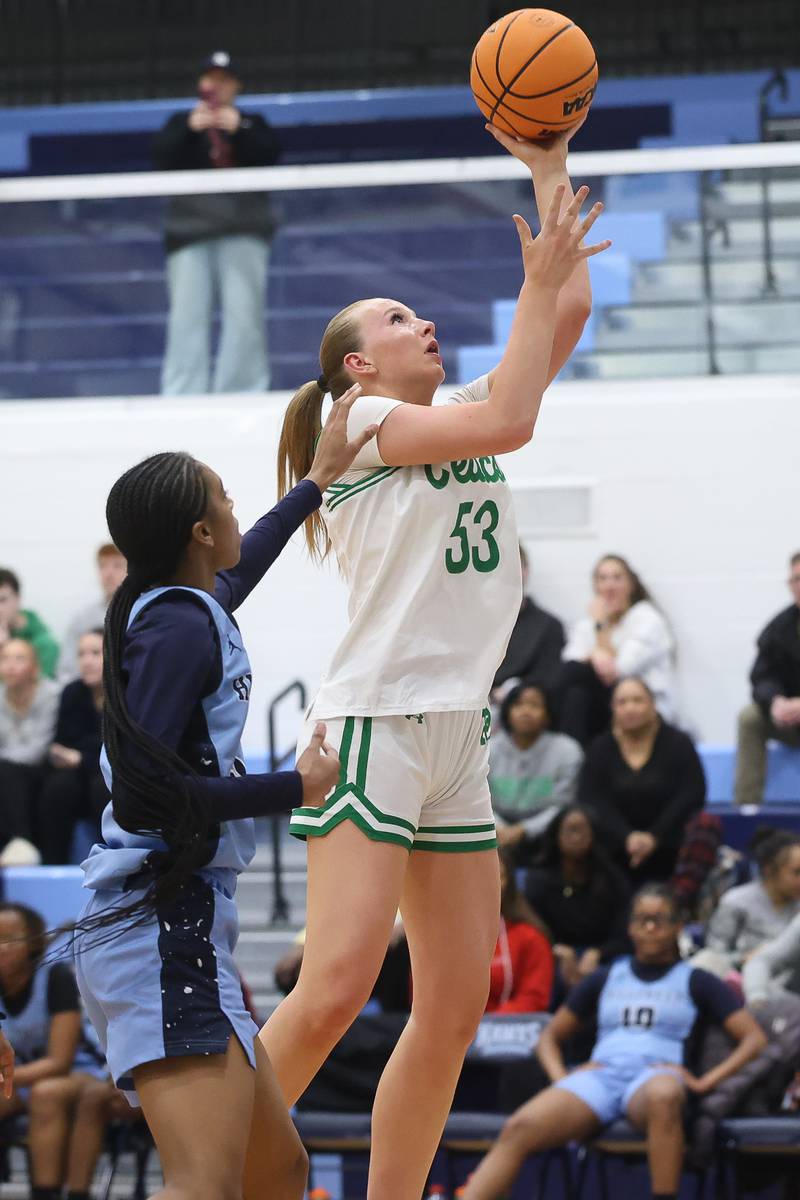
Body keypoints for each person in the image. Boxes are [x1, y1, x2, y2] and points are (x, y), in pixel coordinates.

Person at [260, 111, 610, 1200]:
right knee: (331, 992)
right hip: (374, 723)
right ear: (358, 359)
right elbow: (514, 417)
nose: (425, 324)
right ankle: (203, 1163)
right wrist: (536, 279)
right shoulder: (355, 415)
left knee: (455, 1004)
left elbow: (568, 314)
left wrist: (547, 165)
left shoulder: (448, 405)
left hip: (453, 730)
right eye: (399, 316)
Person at [72, 391, 375, 1200]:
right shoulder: (177, 626)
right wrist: (295, 786)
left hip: (184, 925)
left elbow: (245, 566)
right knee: (205, 1185)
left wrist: (315, 482)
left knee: (276, 1173)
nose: (240, 510)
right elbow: (145, 798)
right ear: (200, 532)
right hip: (156, 923)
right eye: (227, 500)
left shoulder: (186, 605)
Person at [461, 884, 766, 1200]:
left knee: (665, 1094)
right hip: (602, 1077)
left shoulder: (696, 980)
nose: (650, 928)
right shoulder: (606, 976)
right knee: (519, 1127)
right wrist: (562, 1079)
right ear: (630, 927)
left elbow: (753, 1038)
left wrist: (704, 1082)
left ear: (677, 926)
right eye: (641, 920)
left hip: (654, 1076)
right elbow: (549, 1036)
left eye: (659, 920)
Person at [153, 51, 280, 395]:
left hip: (244, 231)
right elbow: (160, 157)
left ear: (235, 86)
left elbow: (270, 155)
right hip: (189, 234)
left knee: (244, 316)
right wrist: (187, 131)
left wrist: (239, 130)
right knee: (186, 318)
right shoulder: (181, 122)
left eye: (224, 80)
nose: (216, 86)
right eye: (210, 79)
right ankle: (182, 392)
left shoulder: (253, 122)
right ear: (200, 84)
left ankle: (243, 390)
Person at [0, 902, 110, 1200]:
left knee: (47, 1093)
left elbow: (59, 1062)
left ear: (33, 942)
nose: (1, 948)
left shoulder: (55, 977)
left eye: (8, 939)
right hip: (21, 1078)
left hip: (81, 1072)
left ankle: (46, 1194)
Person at [578, 677, 706, 886]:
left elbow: (692, 793)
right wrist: (627, 837)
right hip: (615, 847)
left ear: (653, 705)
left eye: (638, 701)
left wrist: (654, 837)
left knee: (706, 824)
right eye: (622, 702)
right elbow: (592, 798)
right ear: (612, 708)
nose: (630, 708)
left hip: (670, 843)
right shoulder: (600, 748)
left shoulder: (678, 743)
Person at [558, 554, 675, 745]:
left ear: (631, 585)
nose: (609, 586)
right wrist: (596, 650)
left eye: (617, 578)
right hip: (602, 708)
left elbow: (613, 672)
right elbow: (567, 668)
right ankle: (573, 762)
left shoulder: (647, 619)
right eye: (603, 578)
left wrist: (600, 630)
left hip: (644, 708)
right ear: (595, 586)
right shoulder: (587, 624)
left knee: (579, 681)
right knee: (575, 695)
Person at [524, 805, 632, 991]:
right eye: (569, 830)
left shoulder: (612, 879)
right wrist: (558, 950)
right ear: (556, 835)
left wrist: (599, 952)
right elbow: (531, 928)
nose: (576, 836)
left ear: (593, 835)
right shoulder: (538, 881)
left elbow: (625, 932)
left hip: (602, 956)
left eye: (581, 830)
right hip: (554, 954)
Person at [734, 551, 800, 807]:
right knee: (750, 717)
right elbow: (761, 676)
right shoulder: (779, 628)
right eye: (796, 579)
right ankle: (747, 808)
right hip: (790, 721)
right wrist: (775, 702)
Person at [489, 683, 582, 862]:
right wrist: (500, 828)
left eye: (534, 705)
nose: (525, 711)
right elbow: (480, 800)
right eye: (518, 705)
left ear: (547, 714)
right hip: (495, 832)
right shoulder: (488, 749)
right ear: (507, 712)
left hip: (548, 836)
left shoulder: (568, 751)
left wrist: (524, 829)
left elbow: (562, 805)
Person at [38, 629, 107, 864]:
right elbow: (62, 744)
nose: (86, 661)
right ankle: (51, 865)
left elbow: (123, 747)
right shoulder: (73, 692)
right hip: (79, 777)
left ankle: (113, 864)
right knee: (59, 786)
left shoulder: (126, 691)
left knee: (104, 785)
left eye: (95, 653)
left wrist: (81, 757)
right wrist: (87, 754)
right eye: (81, 654)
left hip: (111, 775)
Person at [701, 829, 800, 975]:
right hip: (741, 984)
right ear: (768, 870)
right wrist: (744, 959)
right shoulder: (736, 902)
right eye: (797, 872)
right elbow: (712, 958)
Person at [0, 639, 59, 864]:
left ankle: (22, 843)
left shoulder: (51, 695)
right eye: (4, 659)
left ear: (35, 666)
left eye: (19, 658)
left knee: (5, 772)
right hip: (7, 772)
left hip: (43, 769)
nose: (10, 665)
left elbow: (37, 750)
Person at [491, 545, 565, 700]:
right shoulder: (477, 624)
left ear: (526, 570)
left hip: (525, 706)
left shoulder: (549, 626)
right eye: (504, 567)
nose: (510, 574)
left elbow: (547, 678)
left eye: (516, 566)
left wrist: (512, 691)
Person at [487, 852, 553, 1014]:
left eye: (499, 876)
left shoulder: (530, 937)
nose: (490, 884)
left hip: (508, 1031)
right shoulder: (442, 935)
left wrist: (487, 1026)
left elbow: (534, 997)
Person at [59, 543, 127, 683]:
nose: (109, 573)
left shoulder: (141, 613)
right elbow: (66, 669)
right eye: (102, 566)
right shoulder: (83, 619)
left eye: (117, 565)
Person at [0, 568, 59, 680]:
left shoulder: (45, 644)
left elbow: (37, 693)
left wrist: (6, 650)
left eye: (2, 600)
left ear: (18, 599)